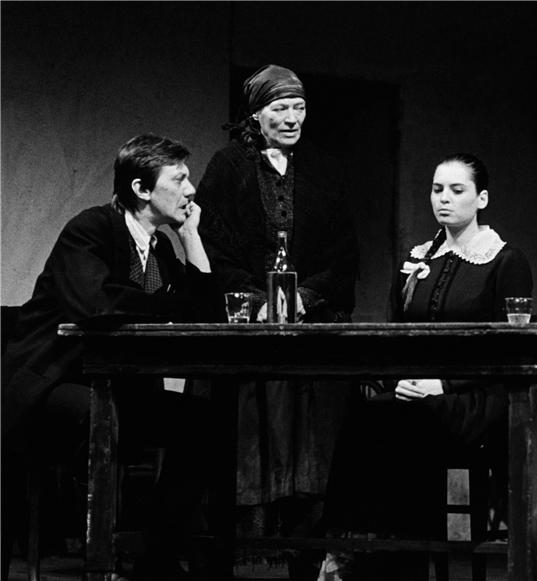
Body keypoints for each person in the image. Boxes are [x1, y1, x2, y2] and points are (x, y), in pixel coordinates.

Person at [1, 134, 225, 580]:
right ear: (141, 188)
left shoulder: (160, 248)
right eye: (179, 179)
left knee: (204, 423)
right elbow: (98, 305)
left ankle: (155, 558)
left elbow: (206, 314)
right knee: (98, 415)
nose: (190, 190)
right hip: (56, 381)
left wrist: (191, 237)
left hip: (120, 387)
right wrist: (168, 305)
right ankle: (98, 561)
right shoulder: (91, 229)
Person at [317, 153, 533, 581]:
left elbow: (507, 348)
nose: (443, 198)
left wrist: (444, 383)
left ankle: (382, 558)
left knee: (397, 421)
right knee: (366, 411)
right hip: (417, 392)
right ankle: (351, 544)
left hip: (476, 396)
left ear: (482, 198)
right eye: (437, 189)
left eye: (457, 190)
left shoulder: (504, 260)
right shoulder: (418, 258)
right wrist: (398, 378)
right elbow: (398, 334)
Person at [193, 63, 359, 580]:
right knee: (245, 437)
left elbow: (344, 254)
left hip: (309, 331)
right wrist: (255, 300)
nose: (291, 118)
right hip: (249, 331)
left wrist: (305, 296)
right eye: (279, 108)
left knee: (311, 446)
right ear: (256, 114)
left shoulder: (324, 170)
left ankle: (306, 554)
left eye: (298, 107)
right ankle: (235, 555)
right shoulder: (228, 167)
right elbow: (213, 247)